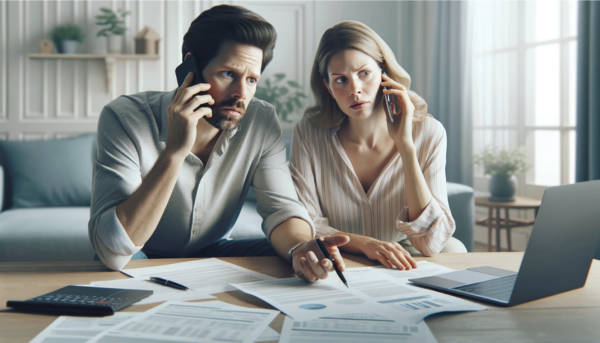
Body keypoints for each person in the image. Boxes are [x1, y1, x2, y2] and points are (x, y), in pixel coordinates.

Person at [89, 5, 349, 282]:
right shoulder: (125, 117)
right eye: (228, 74)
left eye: (251, 80)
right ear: (192, 68)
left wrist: (300, 249)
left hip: (212, 250)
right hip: (140, 252)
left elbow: (282, 209)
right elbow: (114, 251)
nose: (241, 94)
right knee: (119, 266)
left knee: (291, 258)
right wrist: (175, 151)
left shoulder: (261, 120)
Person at [289, 21, 466, 271]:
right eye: (341, 80)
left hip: (405, 254)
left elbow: (429, 242)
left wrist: (405, 146)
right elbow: (305, 222)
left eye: (364, 73)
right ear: (328, 87)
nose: (355, 90)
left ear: (385, 73)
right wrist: (365, 244)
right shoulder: (309, 132)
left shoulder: (428, 132)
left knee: (455, 250)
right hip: (340, 254)